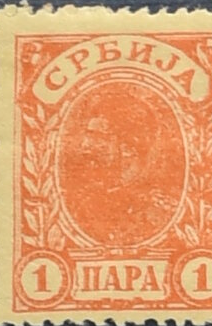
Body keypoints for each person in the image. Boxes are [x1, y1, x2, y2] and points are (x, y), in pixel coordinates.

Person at [50, 59, 187, 255]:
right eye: (87, 136)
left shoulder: (158, 212)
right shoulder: (82, 204)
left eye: (97, 138)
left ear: (128, 147)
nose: (84, 146)